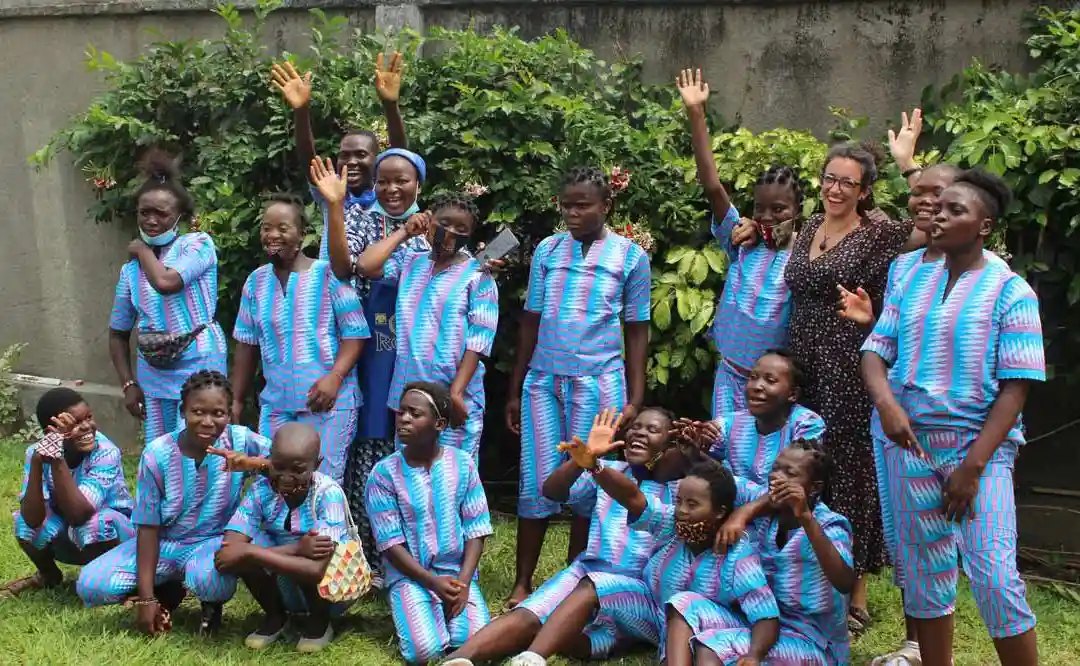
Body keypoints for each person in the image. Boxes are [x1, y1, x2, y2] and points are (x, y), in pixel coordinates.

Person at [861, 170, 1044, 666]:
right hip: (910, 447)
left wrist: (974, 467)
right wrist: (889, 406)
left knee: (994, 575)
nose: (939, 215)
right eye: (938, 207)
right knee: (925, 574)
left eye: (955, 210)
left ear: (984, 226)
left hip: (976, 451)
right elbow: (875, 351)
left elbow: (1016, 387)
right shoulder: (912, 278)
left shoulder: (1012, 291)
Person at [781, 140, 916, 632]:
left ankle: (855, 592)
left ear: (865, 191)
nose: (835, 189)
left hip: (847, 361)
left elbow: (930, 220)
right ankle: (808, 575)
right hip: (803, 361)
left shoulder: (878, 233)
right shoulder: (811, 224)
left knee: (850, 469)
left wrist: (909, 163)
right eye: (829, 178)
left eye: (848, 183)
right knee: (806, 460)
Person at [505, 166, 652, 607]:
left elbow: (637, 329)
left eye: (582, 204)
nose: (572, 212)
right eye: (566, 203)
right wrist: (516, 386)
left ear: (606, 206)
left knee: (590, 480)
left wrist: (636, 395)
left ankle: (572, 582)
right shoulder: (548, 250)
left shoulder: (630, 258)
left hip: (600, 384)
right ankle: (522, 583)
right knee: (536, 481)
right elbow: (530, 322)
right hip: (544, 382)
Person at [442, 408, 689, 666]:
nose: (640, 433)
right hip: (586, 575)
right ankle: (457, 660)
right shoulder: (611, 469)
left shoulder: (681, 491)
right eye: (636, 427)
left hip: (641, 593)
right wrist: (582, 460)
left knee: (591, 589)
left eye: (652, 429)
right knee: (532, 615)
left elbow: (637, 499)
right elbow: (552, 491)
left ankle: (531, 659)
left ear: (670, 443)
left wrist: (595, 466)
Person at [77, 371, 271, 636]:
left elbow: (291, 462)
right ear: (183, 411)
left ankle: (210, 606)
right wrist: (146, 599)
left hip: (211, 541)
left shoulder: (239, 440)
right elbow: (148, 528)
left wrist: (252, 464)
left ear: (229, 413)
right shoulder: (157, 454)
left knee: (212, 582)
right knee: (92, 584)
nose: (207, 421)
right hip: (165, 542)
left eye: (218, 413)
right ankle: (165, 591)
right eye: (198, 412)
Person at [326, 147, 430, 585]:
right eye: (383, 180)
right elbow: (354, 267)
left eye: (402, 180)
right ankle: (367, 554)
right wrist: (402, 232)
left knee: (408, 435)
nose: (391, 188)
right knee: (370, 439)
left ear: (419, 186)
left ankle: (413, 555)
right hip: (370, 341)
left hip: (413, 343)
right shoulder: (362, 219)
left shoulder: (432, 227)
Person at [676, 68, 803, 417]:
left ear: (798, 210)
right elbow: (713, 186)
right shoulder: (741, 242)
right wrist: (696, 113)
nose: (767, 216)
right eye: (759, 208)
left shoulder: (806, 252)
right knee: (726, 454)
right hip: (730, 376)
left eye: (779, 209)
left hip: (778, 388)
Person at [231, 185, 370, 484]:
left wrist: (335, 377)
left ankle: (321, 532)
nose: (273, 235)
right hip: (277, 403)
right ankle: (281, 533)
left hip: (329, 403)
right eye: (267, 228)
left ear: (302, 232)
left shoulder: (329, 274)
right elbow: (246, 345)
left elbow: (355, 333)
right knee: (272, 479)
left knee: (320, 483)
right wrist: (237, 399)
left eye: (283, 228)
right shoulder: (255, 282)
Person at [351, 193, 499, 459]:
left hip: (453, 397)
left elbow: (479, 340)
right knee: (410, 475)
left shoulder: (478, 276)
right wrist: (405, 232)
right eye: (444, 223)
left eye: (461, 229)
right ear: (430, 221)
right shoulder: (411, 261)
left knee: (452, 476)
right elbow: (365, 265)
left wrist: (456, 393)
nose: (451, 232)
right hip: (409, 398)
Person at [364, 382, 493, 664]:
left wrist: (464, 583)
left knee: (477, 642)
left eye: (414, 413)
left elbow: (476, 528)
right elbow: (390, 544)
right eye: (401, 412)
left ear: (440, 424)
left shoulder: (463, 464)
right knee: (424, 653)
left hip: (457, 575)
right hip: (411, 577)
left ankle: (451, 627)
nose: (404, 419)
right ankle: (422, 613)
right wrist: (432, 583)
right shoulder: (384, 475)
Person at [108, 150, 228, 445]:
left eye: (161, 214)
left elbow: (166, 282)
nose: (151, 220)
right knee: (160, 450)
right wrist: (129, 384)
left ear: (180, 217)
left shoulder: (197, 245)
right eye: (144, 212)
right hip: (154, 372)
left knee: (199, 445)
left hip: (199, 364)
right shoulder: (131, 271)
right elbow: (117, 333)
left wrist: (141, 250)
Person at [215, 422, 354, 653]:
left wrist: (251, 552)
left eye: (298, 470)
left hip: (331, 589)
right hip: (284, 578)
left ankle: (320, 622)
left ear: (316, 465)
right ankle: (276, 617)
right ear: (269, 459)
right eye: (278, 466)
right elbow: (229, 551)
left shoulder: (328, 494)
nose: (286, 477)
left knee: (308, 555)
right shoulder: (261, 491)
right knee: (251, 547)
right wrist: (296, 548)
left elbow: (317, 569)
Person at [270, 52, 407, 260]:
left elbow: (401, 160)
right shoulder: (333, 194)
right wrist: (301, 110)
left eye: (361, 155)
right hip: (333, 288)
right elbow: (310, 161)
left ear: (377, 160)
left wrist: (390, 105)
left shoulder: (386, 195)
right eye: (344, 156)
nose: (351, 162)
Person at [1, 388, 134, 597]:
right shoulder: (35, 451)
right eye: (75, 424)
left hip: (118, 536)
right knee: (23, 523)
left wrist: (56, 458)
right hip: (71, 535)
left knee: (92, 524)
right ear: (50, 432)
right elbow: (32, 518)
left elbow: (79, 514)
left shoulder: (105, 451)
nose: (87, 427)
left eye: (89, 418)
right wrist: (37, 463)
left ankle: (114, 580)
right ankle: (48, 575)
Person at [704, 349, 824, 485]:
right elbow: (705, 470)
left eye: (770, 380)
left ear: (793, 394)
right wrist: (696, 446)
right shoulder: (729, 423)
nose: (757, 386)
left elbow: (794, 486)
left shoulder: (806, 424)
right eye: (753, 377)